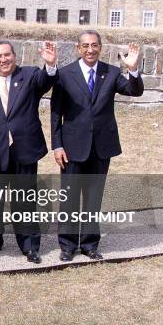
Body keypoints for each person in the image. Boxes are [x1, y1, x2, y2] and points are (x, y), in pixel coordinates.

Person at [51, 30, 143, 261]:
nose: (90, 50)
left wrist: (132, 69)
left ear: (100, 47)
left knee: (93, 198)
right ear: (77, 48)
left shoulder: (111, 72)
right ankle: (68, 246)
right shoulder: (64, 74)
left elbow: (134, 90)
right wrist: (57, 145)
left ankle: (90, 244)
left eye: (94, 45)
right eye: (85, 46)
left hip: (101, 146)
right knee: (70, 198)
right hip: (71, 148)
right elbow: (55, 114)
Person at [0, 41, 57, 263]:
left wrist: (50, 65)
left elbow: (46, 80)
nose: (4, 59)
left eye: (8, 55)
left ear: (14, 55)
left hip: (25, 149)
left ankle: (29, 244)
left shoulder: (29, 75)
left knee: (25, 200)